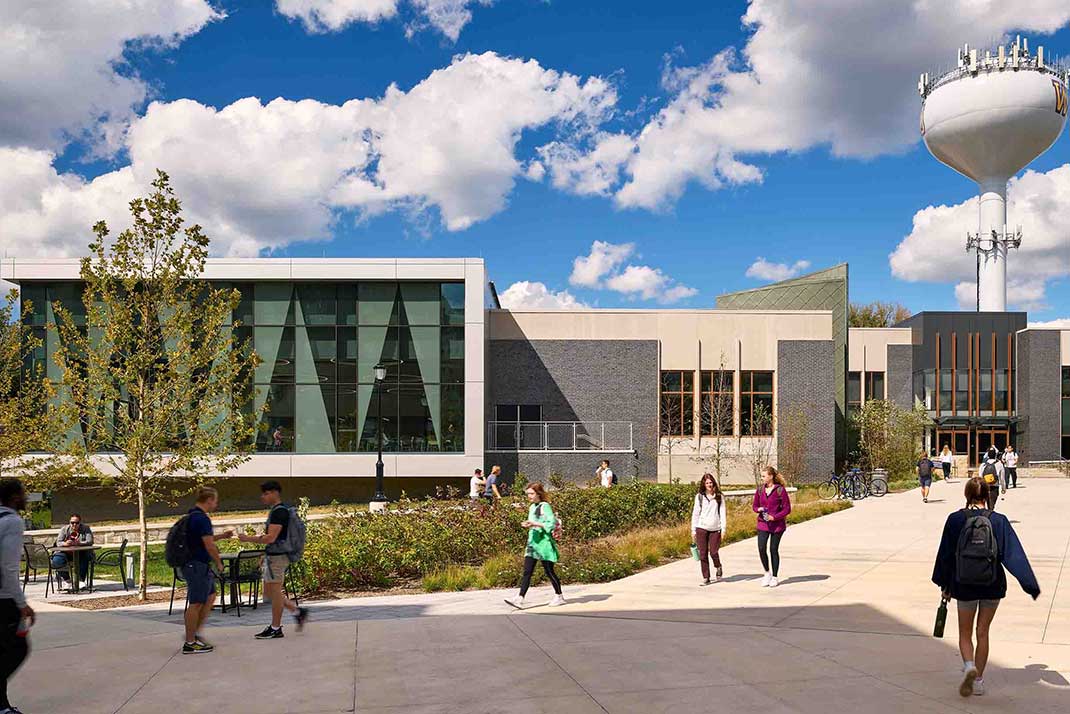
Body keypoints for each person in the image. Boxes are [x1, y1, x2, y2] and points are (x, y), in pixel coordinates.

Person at [931, 477, 1040, 697]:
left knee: (964, 633)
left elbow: (946, 556)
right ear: (987, 496)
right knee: (983, 632)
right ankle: (978, 680)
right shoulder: (999, 521)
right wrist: (1030, 585)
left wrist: (945, 584)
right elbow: (1013, 555)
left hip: (964, 584)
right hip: (992, 584)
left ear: (966, 495)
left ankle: (969, 666)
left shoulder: (955, 519)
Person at [236, 481, 308, 640]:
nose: (263, 497)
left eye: (266, 493)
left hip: (278, 558)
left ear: (275, 493)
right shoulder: (277, 511)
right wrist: (265, 555)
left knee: (274, 593)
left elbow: (271, 537)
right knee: (269, 592)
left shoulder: (279, 513)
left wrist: (247, 538)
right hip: (273, 556)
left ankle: (276, 627)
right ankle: (297, 612)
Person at [182, 487, 233, 654]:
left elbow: (205, 539)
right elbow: (209, 545)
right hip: (196, 565)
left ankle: (195, 633)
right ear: (209, 500)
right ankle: (190, 642)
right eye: (215, 500)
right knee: (196, 603)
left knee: (210, 596)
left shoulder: (193, 516)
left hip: (198, 564)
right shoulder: (201, 518)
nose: (216, 503)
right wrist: (219, 563)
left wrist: (223, 536)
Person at [0, 479, 34, 714]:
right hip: (3, 600)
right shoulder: (12, 521)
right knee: (16, 648)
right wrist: (22, 605)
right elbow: (9, 568)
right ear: (13, 497)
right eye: (23, 493)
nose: (26, 497)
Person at [505, 483, 564, 609]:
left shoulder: (545, 506)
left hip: (544, 543)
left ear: (538, 493)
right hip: (532, 543)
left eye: (531, 494)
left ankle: (559, 596)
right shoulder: (532, 507)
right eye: (528, 494)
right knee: (527, 571)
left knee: (549, 571)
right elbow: (535, 523)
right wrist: (529, 524)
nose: (529, 496)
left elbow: (551, 523)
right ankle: (520, 598)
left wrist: (535, 523)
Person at [753, 466, 791, 588]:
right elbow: (754, 506)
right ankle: (767, 573)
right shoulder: (760, 490)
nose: (762, 478)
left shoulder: (780, 490)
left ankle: (775, 577)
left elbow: (787, 509)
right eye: (762, 476)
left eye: (764, 476)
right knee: (761, 548)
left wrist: (774, 517)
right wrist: (758, 509)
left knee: (773, 549)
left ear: (771, 476)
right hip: (762, 524)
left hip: (777, 526)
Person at [692, 473, 727, 585]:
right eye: (707, 483)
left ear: (714, 483)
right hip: (701, 528)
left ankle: (718, 566)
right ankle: (706, 577)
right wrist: (693, 530)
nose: (709, 485)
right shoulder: (699, 497)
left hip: (715, 528)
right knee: (703, 554)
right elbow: (695, 514)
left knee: (713, 552)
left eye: (711, 482)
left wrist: (723, 528)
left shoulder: (719, 496)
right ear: (704, 484)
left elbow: (722, 513)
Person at [51, 513, 93, 588]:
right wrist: (65, 543)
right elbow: (58, 542)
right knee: (56, 561)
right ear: (69, 522)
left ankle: (80, 581)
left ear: (80, 523)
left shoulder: (86, 529)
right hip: (65, 552)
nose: (74, 525)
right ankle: (67, 580)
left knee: (85, 557)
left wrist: (79, 543)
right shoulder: (64, 529)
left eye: (77, 523)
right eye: (72, 523)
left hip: (81, 552)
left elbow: (90, 541)